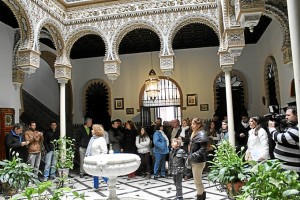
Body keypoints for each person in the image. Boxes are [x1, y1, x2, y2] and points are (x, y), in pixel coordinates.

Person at [268, 106, 300, 175]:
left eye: (288, 115)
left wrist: (271, 128)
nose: (286, 117)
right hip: (285, 167)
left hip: (292, 170)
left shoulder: (298, 128)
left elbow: (280, 138)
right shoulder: (291, 127)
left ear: (297, 115)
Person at [186, 118, 208, 200]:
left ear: (199, 125)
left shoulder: (202, 134)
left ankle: (200, 196)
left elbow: (203, 149)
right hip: (194, 160)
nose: (192, 125)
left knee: (197, 181)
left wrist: (192, 156)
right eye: (191, 124)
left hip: (198, 161)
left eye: (194, 124)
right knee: (198, 180)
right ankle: (202, 195)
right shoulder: (194, 132)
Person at [86, 124, 108, 190]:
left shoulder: (101, 139)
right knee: (94, 173)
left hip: (98, 159)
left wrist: (99, 158)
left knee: (100, 173)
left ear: (96, 131)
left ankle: (109, 182)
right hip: (92, 158)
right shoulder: (92, 138)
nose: (91, 130)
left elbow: (104, 151)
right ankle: (96, 186)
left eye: (93, 129)